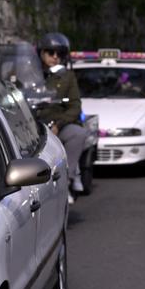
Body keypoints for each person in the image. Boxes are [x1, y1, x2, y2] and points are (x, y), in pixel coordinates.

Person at [36, 32, 87, 203]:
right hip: (31, 124)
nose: (55, 57)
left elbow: (75, 106)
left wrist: (59, 123)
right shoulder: (30, 74)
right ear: (41, 53)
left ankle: (68, 180)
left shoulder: (67, 77)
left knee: (77, 133)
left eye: (60, 54)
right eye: (51, 52)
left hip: (58, 123)